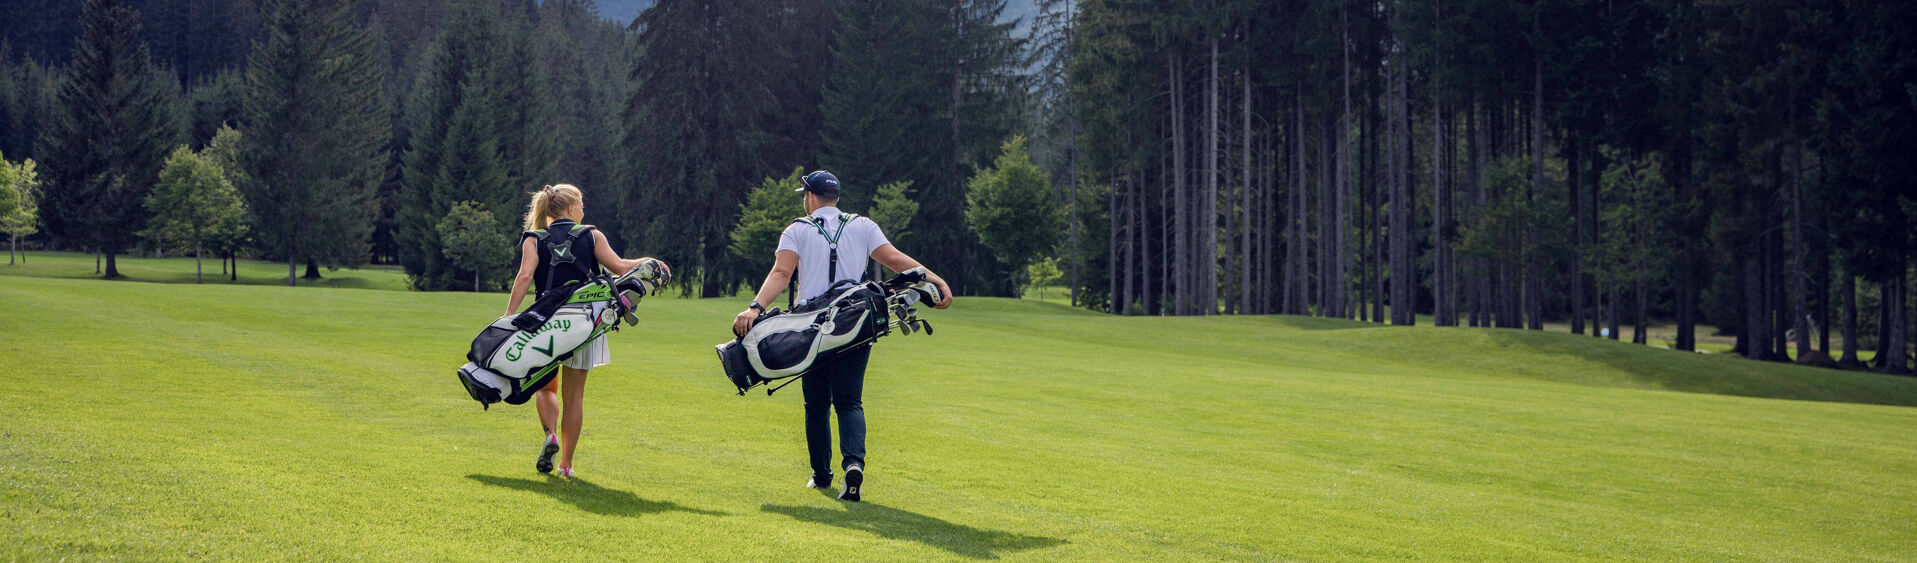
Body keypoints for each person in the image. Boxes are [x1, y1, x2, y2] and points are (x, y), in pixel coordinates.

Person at [732, 170, 952, 501]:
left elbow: (781, 273)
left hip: (812, 329)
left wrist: (754, 307)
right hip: (856, 324)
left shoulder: (797, 229)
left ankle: (821, 476)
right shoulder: (863, 225)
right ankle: (854, 465)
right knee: (850, 402)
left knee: (816, 404)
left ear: (810, 197)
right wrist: (937, 281)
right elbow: (897, 261)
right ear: (836, 197)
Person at [506, 184, 666, 478]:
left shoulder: (534, 238)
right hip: (585, 321)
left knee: (544, 387)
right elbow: (619, 267)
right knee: (575, 397)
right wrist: (648, 262)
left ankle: (550, 434)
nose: (583, 210)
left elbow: (525, 276)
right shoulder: (591, 234)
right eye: (581, 205)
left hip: (546, 321)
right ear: (570, 209)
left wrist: (508, 316)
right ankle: (566, 465)